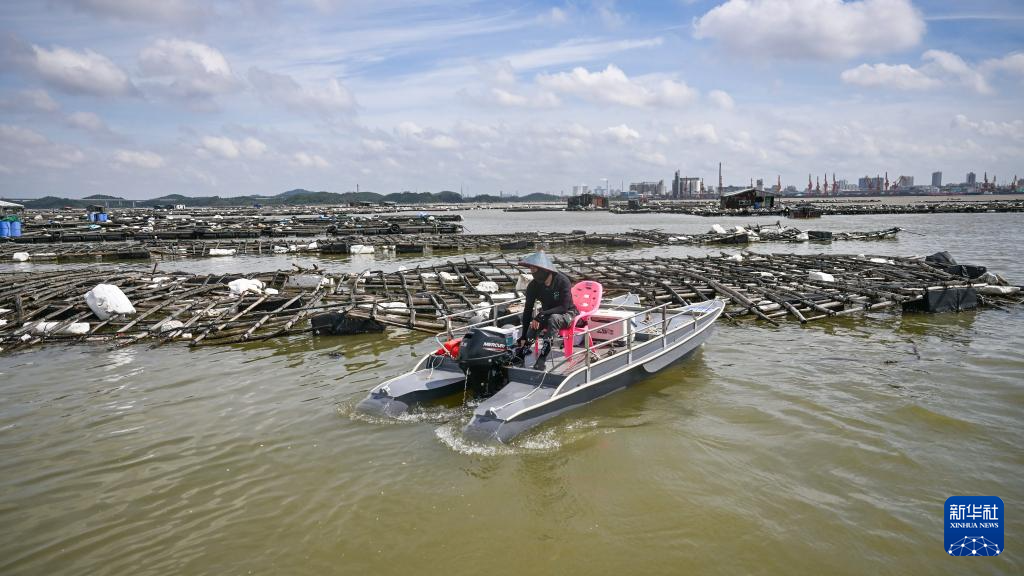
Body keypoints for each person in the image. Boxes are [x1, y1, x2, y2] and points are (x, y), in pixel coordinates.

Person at [516, 251, 577, 369]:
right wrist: (523, 336)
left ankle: (542, 358)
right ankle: (522, 352)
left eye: (535, 270)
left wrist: (541, 314)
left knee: (553, 318)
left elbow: (563, 307)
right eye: (531, 270)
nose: (532, 273)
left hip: (567, 313)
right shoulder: (533, 285)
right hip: (547, 313)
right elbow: (528, 310)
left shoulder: (562, 281)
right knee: (535, 324)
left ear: (544, 269)